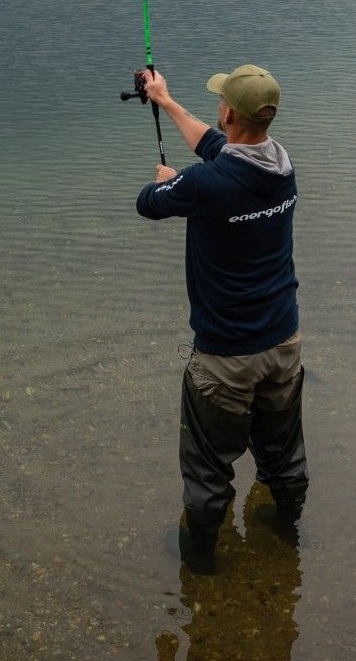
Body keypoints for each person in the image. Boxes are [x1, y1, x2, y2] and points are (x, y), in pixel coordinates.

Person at [135, 63, 307, 575]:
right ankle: (286, 530)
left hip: (226, 357)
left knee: (208, 471)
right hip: (284, 342)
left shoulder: (207, 185)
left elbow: (148, 203)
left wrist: (171, 184)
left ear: (229, 110)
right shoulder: (280, 163)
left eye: (220, 103)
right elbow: (214, 147)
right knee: (282, 452)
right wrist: (165, 102)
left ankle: (201, 567)